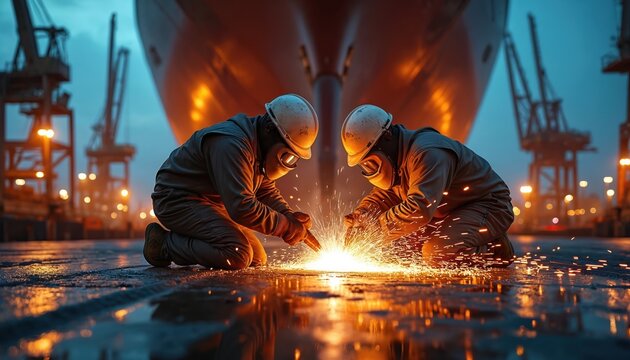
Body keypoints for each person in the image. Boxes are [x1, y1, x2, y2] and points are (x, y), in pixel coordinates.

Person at [144, 94, 318, 269]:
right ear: (269, 129)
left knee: (257, 258)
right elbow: (242, 207)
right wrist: (286, 227)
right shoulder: (232, 144)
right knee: (237, 254)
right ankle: (164, 244)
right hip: (177, 200)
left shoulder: (258, 149)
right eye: (286, 156)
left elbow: (264, 191)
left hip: (210, 204)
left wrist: (288, 215)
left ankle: (191, 239)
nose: (286, 162)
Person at [341, 104, 515, 267]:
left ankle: (496, 250)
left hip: (488, 205)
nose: (370, 170)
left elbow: (419, 208)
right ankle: (465, 239)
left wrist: (375, 228)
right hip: (447, 211)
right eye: (365, 166)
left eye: (370, 163)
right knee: (400, 251)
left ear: (386, 138)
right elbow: (385, 195)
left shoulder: (427, 153)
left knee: (436, 253)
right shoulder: (399, 159)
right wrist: (362, 215)